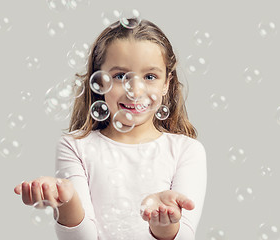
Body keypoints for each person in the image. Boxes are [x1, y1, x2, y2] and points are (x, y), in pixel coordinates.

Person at [14, 18, 207, 240]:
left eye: (150, 76)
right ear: (99, 82)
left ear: (167, 84)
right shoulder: (75, 146)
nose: (135, 90)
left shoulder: (187, 150)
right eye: (120, 76)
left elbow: (184, 237)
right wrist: (65, 200)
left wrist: (163, 222)